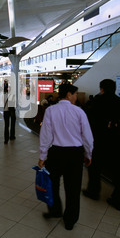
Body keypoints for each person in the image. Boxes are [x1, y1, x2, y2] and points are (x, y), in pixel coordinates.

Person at [38, 83, 94, 230]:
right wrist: (88, 154)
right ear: (69, 94)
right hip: (75, 155)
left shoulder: (50, 110)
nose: (76, 97)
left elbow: (46, 135)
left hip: (56, 153)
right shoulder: (79, 112)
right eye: (75, 94)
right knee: (73, 188)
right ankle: (70, 220)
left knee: (53, 186)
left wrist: (42, 156)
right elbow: (87, 137)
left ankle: (55, 211)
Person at [83, 79, 120, 211]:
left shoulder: (96, 102)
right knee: (119, 171)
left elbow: (88, 122)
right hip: (118, 143)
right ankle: (117, 199)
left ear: (102, 89)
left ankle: (93, 192)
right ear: (115, 88)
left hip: (99, 141)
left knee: (95, 168)